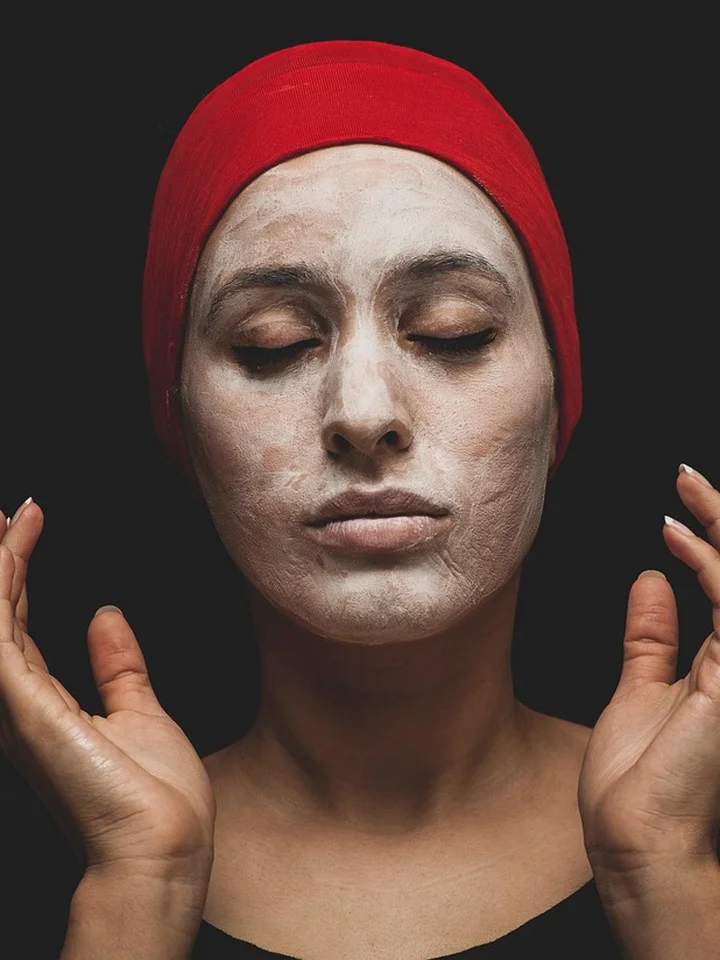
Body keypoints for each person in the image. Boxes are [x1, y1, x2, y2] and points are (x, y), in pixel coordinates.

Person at [1, 39, 718, 960]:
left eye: (453, 333)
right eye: (273, 344)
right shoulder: (54, 864)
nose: (364, 414)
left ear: (559, 398)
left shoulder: (687, 831)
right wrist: (140, 889)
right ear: (179, 421)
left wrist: (666, 878)